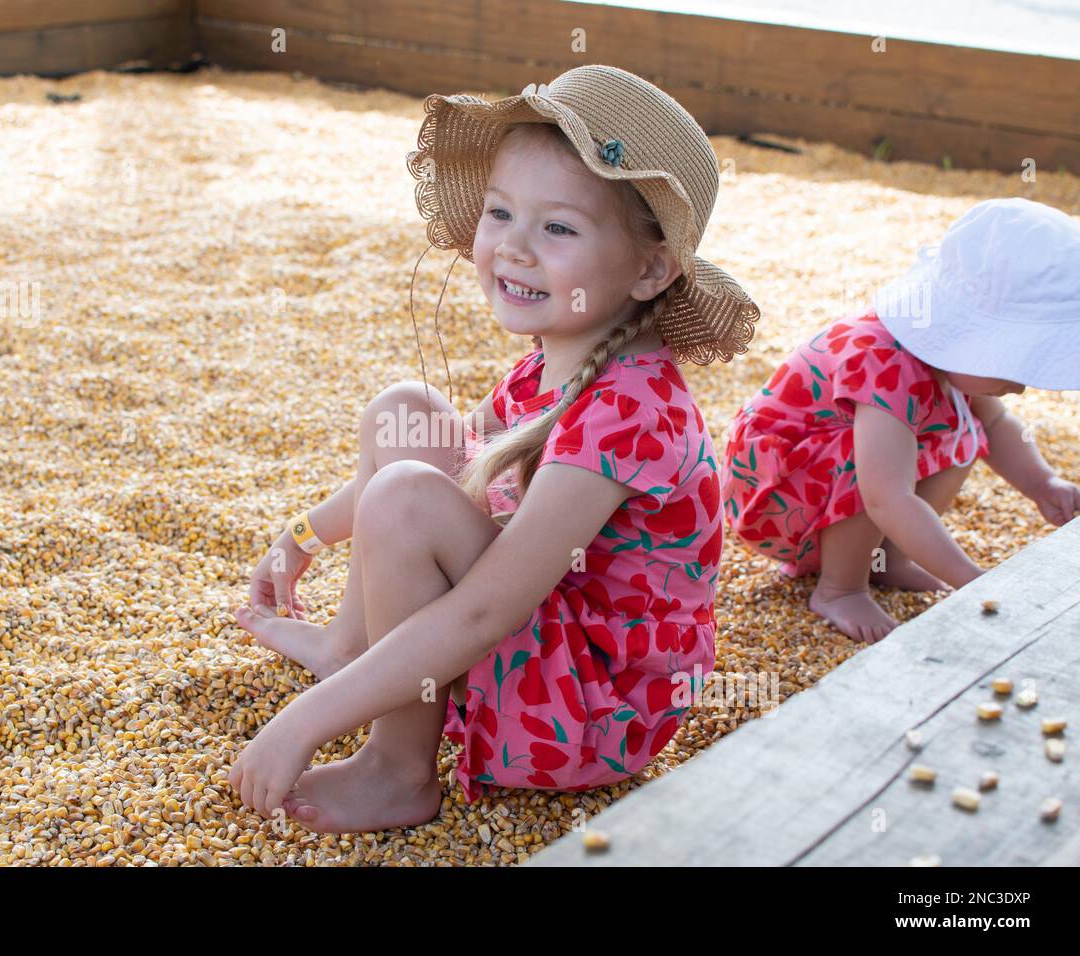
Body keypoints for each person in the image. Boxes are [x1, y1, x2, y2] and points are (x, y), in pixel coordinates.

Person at [231, 65, 760, 831]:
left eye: (558, 228)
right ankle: (356, 647)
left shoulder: (629, 410)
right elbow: (459, 455)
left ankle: (396, 769)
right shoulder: (569, 348)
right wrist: (301, 536)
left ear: (650, 268)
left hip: (589, 710)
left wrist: (303, 721)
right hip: (545, 645)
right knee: (405, 414)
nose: (512, 248)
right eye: (500, 213)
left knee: (409, 497)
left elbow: (485, 612)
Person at [721, 198, 1080, 643]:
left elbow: (997, 424)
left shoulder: (946, 357)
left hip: (818, 487)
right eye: (1014, 363)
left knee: (969, 429)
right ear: (971, 335)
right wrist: (975, 580)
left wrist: (1043, 484)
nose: (1021, 386)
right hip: (776, 490)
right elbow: (886, 497)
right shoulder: (885, 364)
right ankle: (839, 587)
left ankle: (883, 558)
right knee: (873, 464)